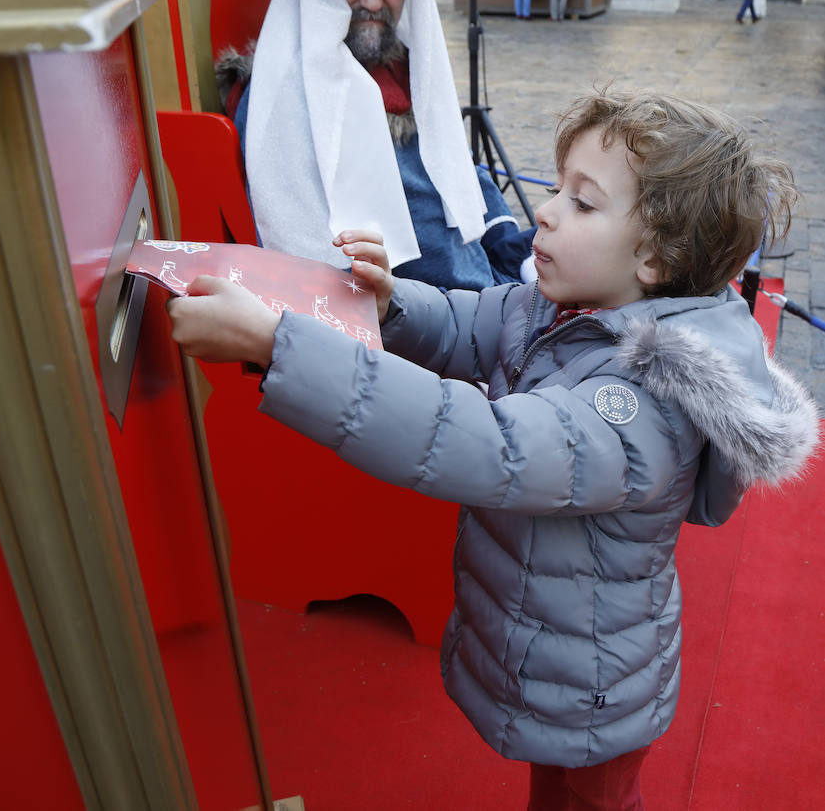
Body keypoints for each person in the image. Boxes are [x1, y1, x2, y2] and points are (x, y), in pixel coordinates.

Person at [167, 88, 818, 809]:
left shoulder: (640, 403)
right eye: (558, 186)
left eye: (583, 202)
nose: (544, 209)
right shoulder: (568, 305)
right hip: (550, 641)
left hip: (593, 680)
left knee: (591, 798)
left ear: (656, 260)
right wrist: (388, 304)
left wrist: (277, 344)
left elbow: (483, 443)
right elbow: (467, 321)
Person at [215, 0, 535, 292]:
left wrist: (514, 251)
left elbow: (457, 173)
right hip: (422, 321)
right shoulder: (285, 102)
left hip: (484, 291)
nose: (372, 0)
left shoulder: (409, 68)